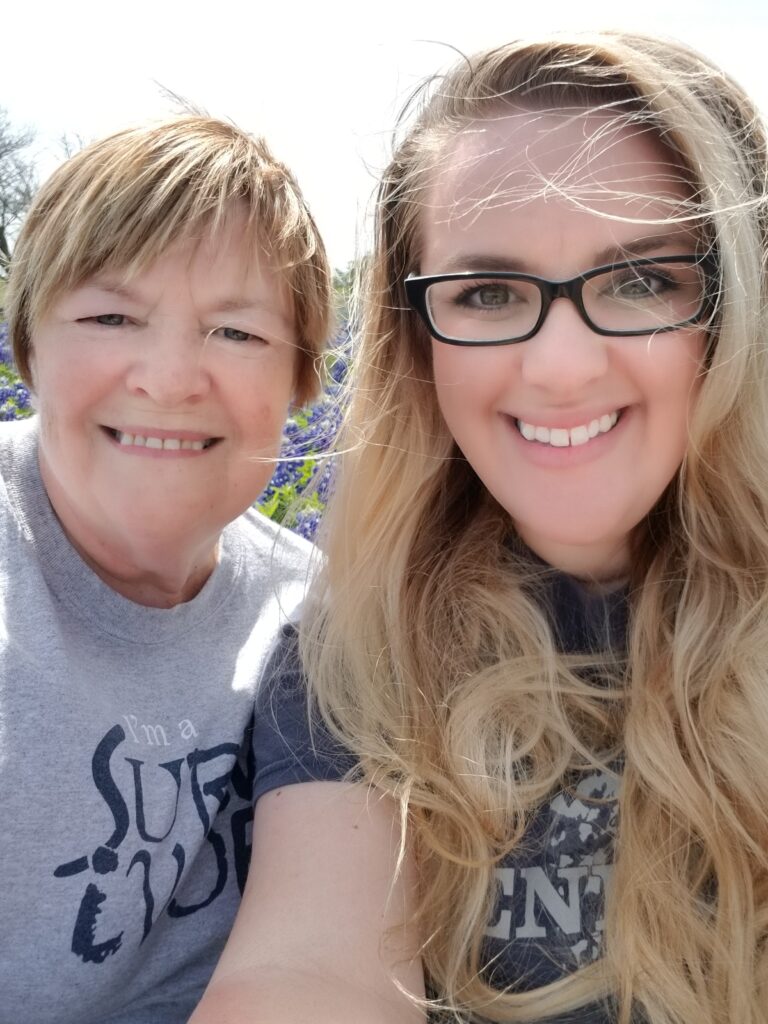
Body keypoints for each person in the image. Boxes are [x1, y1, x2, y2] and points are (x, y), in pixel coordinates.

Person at [289, 31, 768, 1024]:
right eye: (489, 293)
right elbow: (304, 974)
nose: (558, 366)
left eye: (641, 278)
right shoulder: (358, 649)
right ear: (415, 343)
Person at [0, 116, 419, 1024]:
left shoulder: (315, 617)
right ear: (28, 348)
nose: (168, 378)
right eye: (110, 316)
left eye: (234, 332)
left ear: (306, 381)